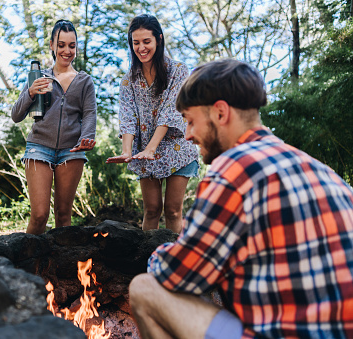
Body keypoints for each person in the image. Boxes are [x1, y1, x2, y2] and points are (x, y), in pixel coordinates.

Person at [128, 59, 353, 339]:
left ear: (220, 113)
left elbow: (178, 273)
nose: (187, 135)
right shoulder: (321, 171)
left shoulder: (233, 170)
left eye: (190, 121)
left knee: (144, 287)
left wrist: (158, 256)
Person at [107, 14, 199, 234]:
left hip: (177, 148)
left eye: (146, 41)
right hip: (144, 151)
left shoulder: (178, 70)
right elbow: (128, 117)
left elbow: (170, 112)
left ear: (158, 39)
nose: (141, 48)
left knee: (173, 210)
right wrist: (127, 151)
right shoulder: (128, 79)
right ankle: (148, 261)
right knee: (151, 209)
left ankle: (174, 263)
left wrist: (152, 148)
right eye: (136, 42)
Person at [11, 20, 96, 235]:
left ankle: (61, 269)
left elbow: (89, 114)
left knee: (63, 215)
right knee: (39, 216)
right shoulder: (39, 77)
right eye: (61, 45)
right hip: (39, 147)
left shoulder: (84, 81)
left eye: (72, 45)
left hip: (72, 151)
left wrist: (87, 138)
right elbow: (16, 115)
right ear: (52, 45)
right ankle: (24, 266)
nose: (67, 51)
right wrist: (30, 93)